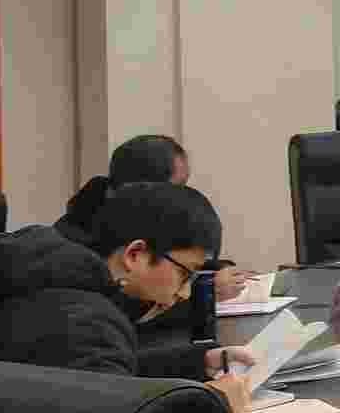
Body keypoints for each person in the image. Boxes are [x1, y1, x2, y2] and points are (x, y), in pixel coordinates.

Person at [0, 182, 255, 413]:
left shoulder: (47, 273)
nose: (184, 291)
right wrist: (213, 401)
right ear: (135, 254)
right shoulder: (86, 319)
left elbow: (100, 376)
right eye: (185, 273)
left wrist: (194, 363)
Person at [56, 133, 256, 339]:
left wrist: (213, 268)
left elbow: (172, 256)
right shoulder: (76, 258)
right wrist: (201, 296)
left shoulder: (113, 218)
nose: (182, 198)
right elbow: (127, 321)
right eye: (177, 188)